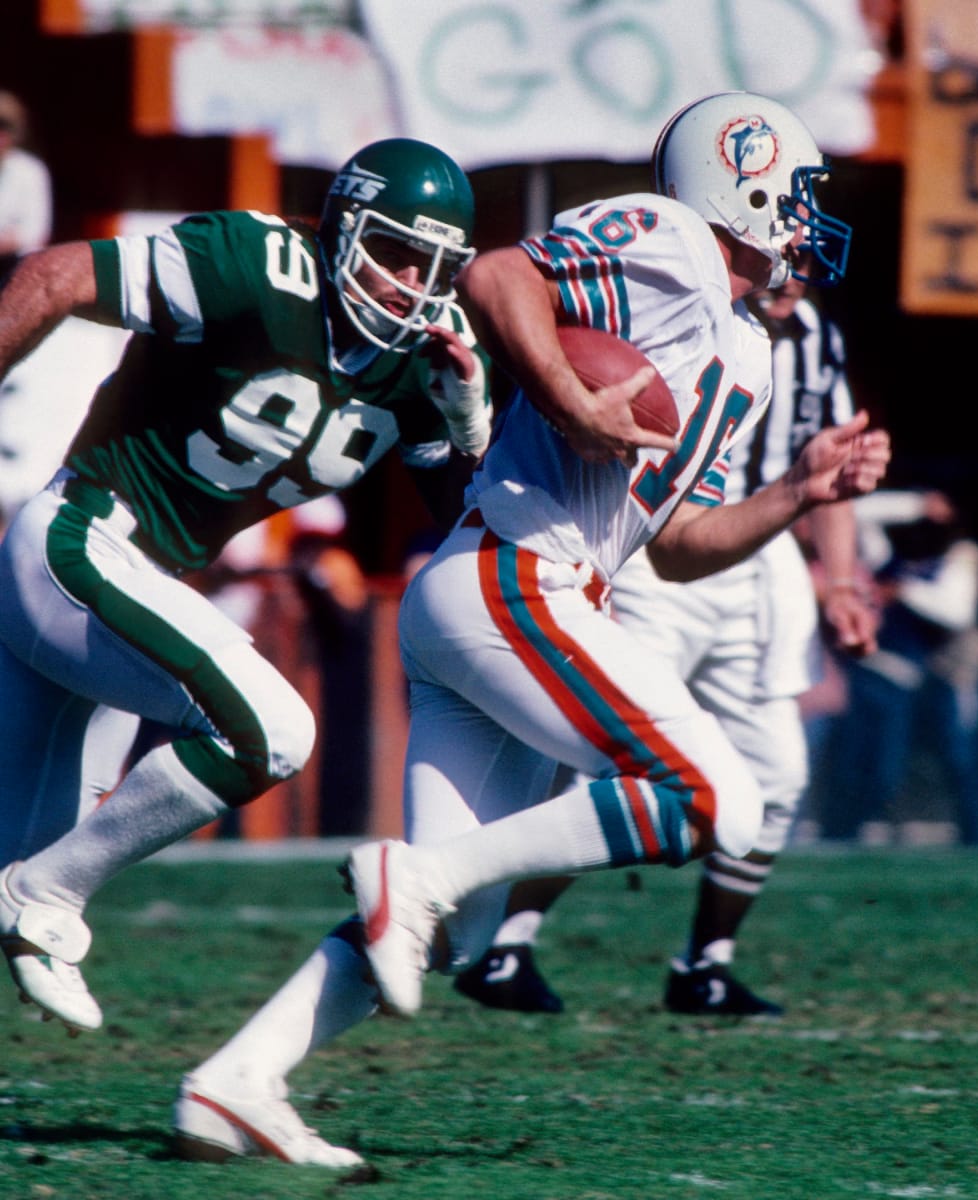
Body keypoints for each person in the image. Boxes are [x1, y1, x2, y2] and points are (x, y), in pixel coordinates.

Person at [173, 91, 889, 1167]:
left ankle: (235, 1082)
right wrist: (567, 395)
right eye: (791, 196)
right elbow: (497, 274)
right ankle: (413, 880)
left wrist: (796, 489)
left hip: (524, 593)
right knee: (713, 797)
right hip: (510, 574)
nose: (802, 220)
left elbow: (676, 541)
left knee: (450, 929)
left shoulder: (746, 350)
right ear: (737, 182)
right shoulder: (674, 237)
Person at [0, 138, 494, 1053]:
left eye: (433, 264)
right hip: (78, 545)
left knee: (19, 849)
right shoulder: (256, 264)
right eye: (393, 251)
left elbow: (471, 525)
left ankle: (32, 889)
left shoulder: (427, 360)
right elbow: (58, 272)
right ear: (345, 225)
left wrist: (470, 426)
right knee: (271, 732)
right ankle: (45, 899)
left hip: (127, 593)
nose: (409, 281)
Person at [451, 275, 877, 1017]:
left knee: (776, 773)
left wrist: (840, 582)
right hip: (660, 547)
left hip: (762, 561)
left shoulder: (819, 341)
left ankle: (706, 964)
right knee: (615, 759)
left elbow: (829, 481)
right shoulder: (688, 310)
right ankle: (506, 943)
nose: (792, 269)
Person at [822, 488, 978, 846]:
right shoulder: (893, 559)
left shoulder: (958, 558)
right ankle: (839, 835)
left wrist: (904, 590)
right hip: (879, 673)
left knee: (947, 760)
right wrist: (915, 503)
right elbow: (856, 512)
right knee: (859, 764)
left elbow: (956, 611)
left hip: (933, 679)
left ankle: (975, 836)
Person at [0, 91, 52, 289]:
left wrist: (8, 241)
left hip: (16, 271)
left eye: (5, 129)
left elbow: (35, 232)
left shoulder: (30, 171)